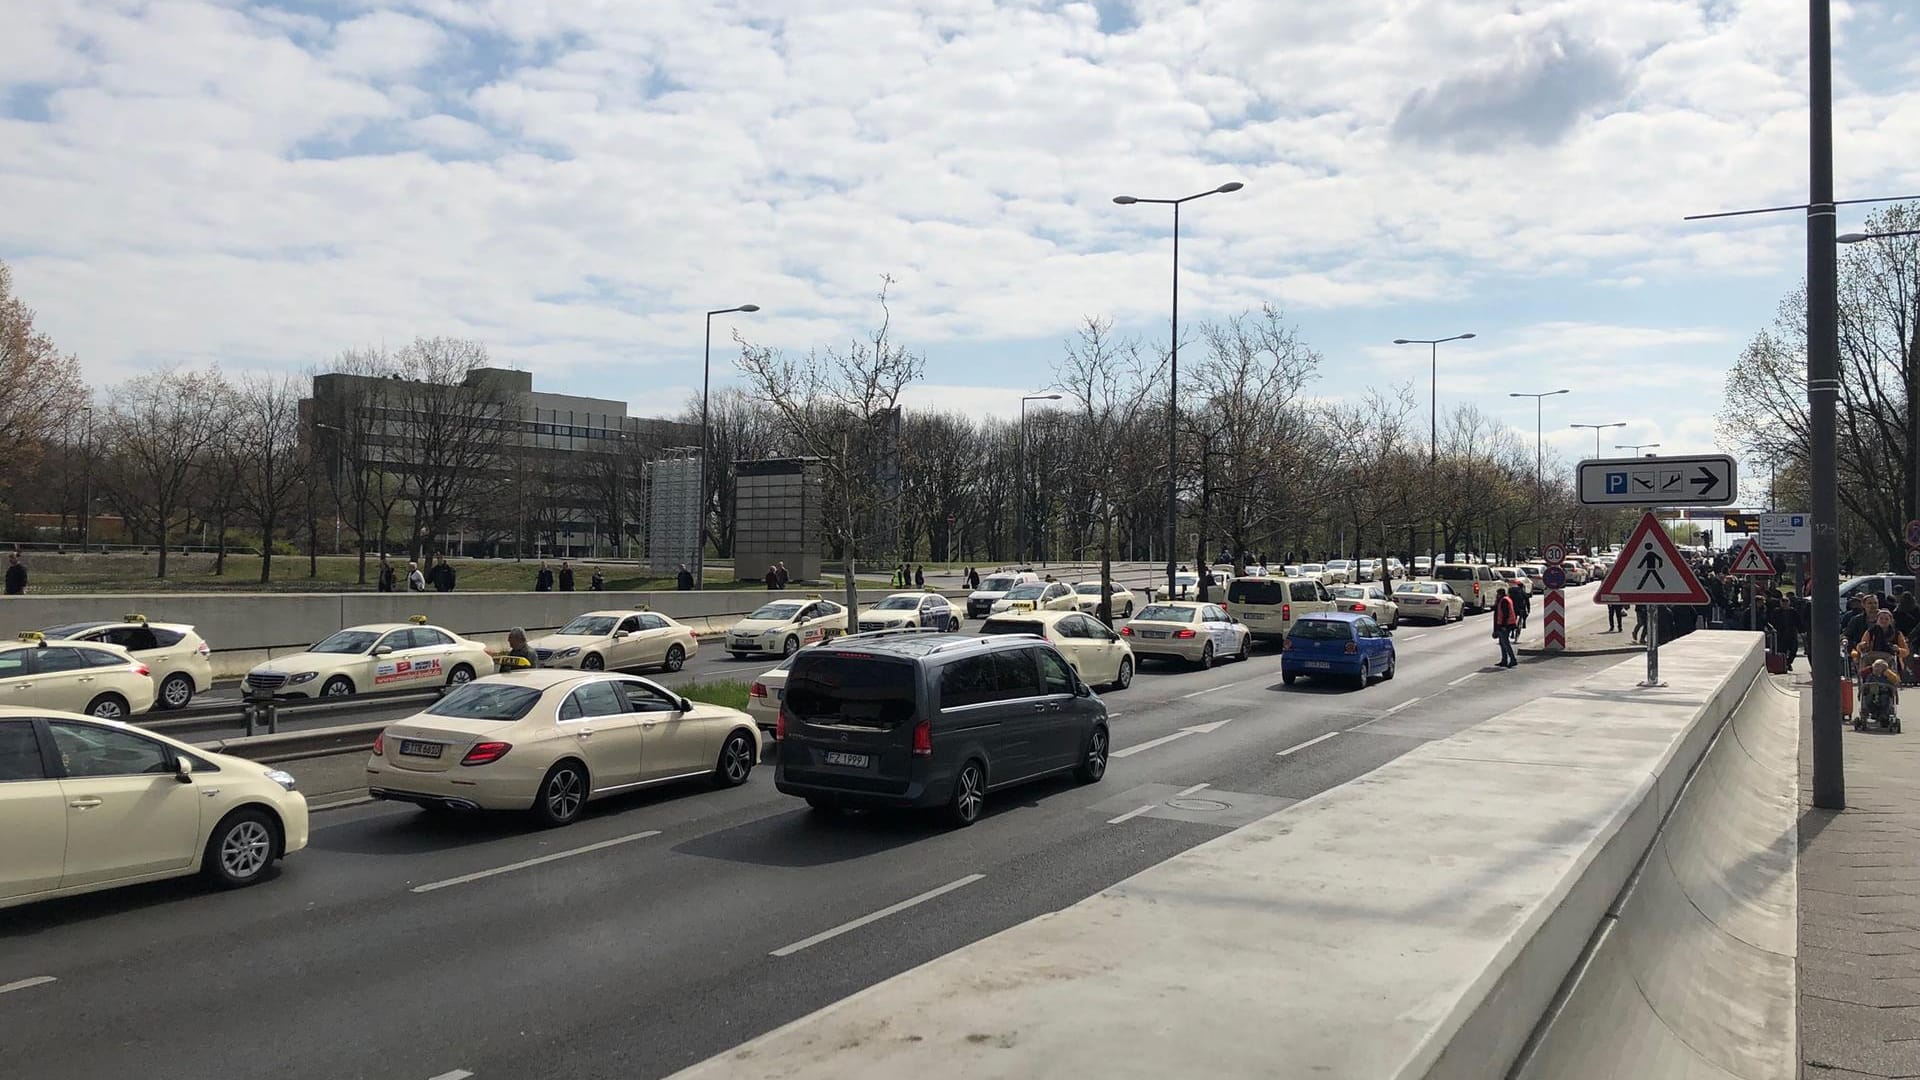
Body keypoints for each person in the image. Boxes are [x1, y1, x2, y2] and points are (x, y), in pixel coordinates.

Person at [1767, 596, 1802, 671]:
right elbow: (1772, 621)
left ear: (1789, 603)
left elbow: (1798, 622)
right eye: (1783, 603)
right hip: (1781, 634)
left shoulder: (1793, 611)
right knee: (1782, 650)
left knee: (1793, 649)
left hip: (1791, 633)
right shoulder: (1776, 612)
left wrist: (1801, 631)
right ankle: (1784, 664)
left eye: (1786, 602)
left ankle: (1788, 662)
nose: (1785, 604)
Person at [1493, 586, 1519, 668]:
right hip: (1506, 624)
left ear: (1500, 594)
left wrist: (1503, 626)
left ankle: (1513, 659)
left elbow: (1505, 614)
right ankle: (1504, 660)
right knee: (1502, 643)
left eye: (1497, 594)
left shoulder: (1504, 601)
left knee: (1505, 643)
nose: (1497, 595)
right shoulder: (1506, 599)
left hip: (1505, 625)